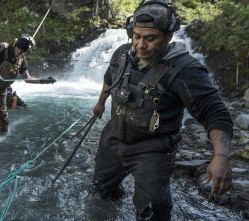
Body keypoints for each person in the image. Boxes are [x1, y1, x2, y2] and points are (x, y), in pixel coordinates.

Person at [91, 1, 233, 220]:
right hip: (113, 138)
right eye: (136, 36)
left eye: (151, 38)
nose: (140, 45)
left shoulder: (187, 71)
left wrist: (221, 158)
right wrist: (101, 103)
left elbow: (215, 114)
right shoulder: (122, 53)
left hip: (153, 148)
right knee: (101, 190)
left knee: (151, 210)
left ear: (169, 36)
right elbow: (110, 79)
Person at [0, 33, 56, 141]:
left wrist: (43, 81)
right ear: (15, 44)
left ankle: (4, 137)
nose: (20, 52)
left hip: (1, 87)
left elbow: (27, 78)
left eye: (23, 51)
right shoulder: (1, 48)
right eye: (19, 49)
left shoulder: (21, 59)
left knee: (3, 115)